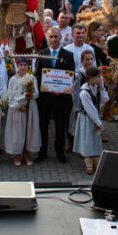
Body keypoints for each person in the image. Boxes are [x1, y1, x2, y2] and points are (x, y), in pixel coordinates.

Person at [36, 26, 75, 162]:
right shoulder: (41, 54)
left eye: (55, 36)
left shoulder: (68, 55)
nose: (53, 39)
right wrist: (46, 87)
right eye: (51, 37)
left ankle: (60, 152)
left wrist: (61, 90)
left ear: (60, 38)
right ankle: (42, 152)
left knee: (60, 125)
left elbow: (71, 76)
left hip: (61, 97)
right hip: (45, 97)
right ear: (48, 38)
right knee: (43, 125)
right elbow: (37, 75)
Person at [4, 56, 41, 166]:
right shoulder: (13, 80)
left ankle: (26, 154)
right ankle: (17, 155)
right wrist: (17, 106)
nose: (23, 67)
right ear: (17, 66)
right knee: (17, 132)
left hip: (30, 108)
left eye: (25, 65)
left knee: (29, 131)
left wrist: (30, 94)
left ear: (28, 66)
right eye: (21, 65)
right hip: (17, 109)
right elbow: (10, 97)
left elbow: (37, 93)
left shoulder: (32, 78)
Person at [72, 66, 107, 174]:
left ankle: (95, 159)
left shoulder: (96, 88)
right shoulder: (84, 92)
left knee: (94, 140)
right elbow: (89, 108)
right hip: (87, 119)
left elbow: (104, 100)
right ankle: (88, 163)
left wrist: (102, 90)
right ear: (91, 78)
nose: (99, 80)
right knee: (87, 140)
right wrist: (98, 122)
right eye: (98, 77)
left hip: (94, 117)